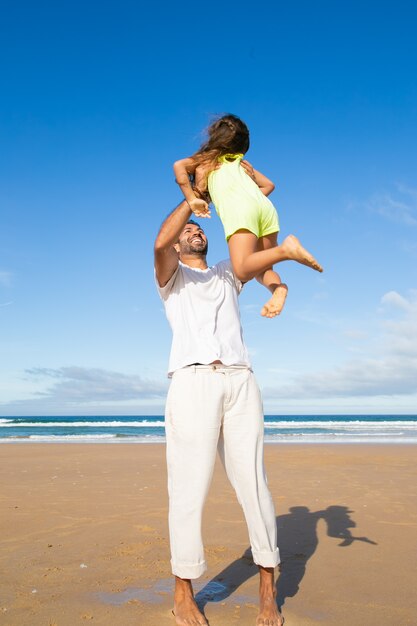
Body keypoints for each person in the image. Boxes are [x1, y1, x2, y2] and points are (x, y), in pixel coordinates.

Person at [154, 200, 284, 626]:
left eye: (199, 228)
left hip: (240, 380)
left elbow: (259, 256)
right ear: (177, 242)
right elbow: (159, 242)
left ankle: (268, 586)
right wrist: (188, 200)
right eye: (187, 230)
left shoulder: (228, 271)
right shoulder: (171, 277)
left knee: (255, 486)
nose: (195, 231)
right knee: (188, 491)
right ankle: (183, 591)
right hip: (193, 383)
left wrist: (278, 286)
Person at [173, 113, 323, 318]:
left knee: (243, 269)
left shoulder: (209, 159)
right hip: (266, 208)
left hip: (242, 211)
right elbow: (270, 185)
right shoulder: (241, 163)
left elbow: (179, 166)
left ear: (215, 138)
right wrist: (250, 195)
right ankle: (278, 288)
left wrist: (191, 198)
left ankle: (286, 250)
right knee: (262, 268)